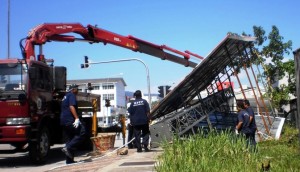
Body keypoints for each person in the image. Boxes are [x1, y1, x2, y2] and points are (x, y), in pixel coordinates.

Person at [60, 84, 86, 164]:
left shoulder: (65, 96)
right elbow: (71, 106)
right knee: (82, 132)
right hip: (70, 120)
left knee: (70, 138)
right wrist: (77, 118)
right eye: (77, 89)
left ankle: (69, 161)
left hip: (63, 120)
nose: (78, 91)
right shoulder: (71, 95)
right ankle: (68, 147)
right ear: (73, 89)